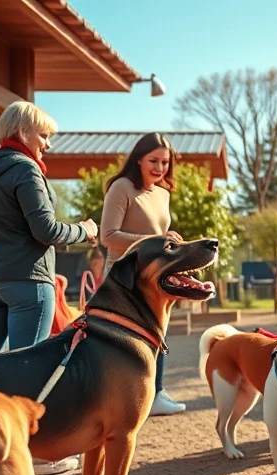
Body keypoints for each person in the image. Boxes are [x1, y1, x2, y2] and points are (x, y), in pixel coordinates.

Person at [0, 100, 99, 475]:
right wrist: (85, 230)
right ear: (23, 133)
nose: (48, 145)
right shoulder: (26, 171)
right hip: (28, 282)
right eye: (44, 135)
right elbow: (47, 231)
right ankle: (34, 456)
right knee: (30, 369)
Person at [99, 132, 185, 416]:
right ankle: (118, 396)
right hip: (123, 277)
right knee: (124, 340)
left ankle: (156, 392)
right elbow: (108, 237)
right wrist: (157, 238)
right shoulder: (121, 187)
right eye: (154, 160)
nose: (160, 168)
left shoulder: (163, 193)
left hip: (154, 277)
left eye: (165, 162)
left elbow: (158, 239)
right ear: (138, 159)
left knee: (157, 334)